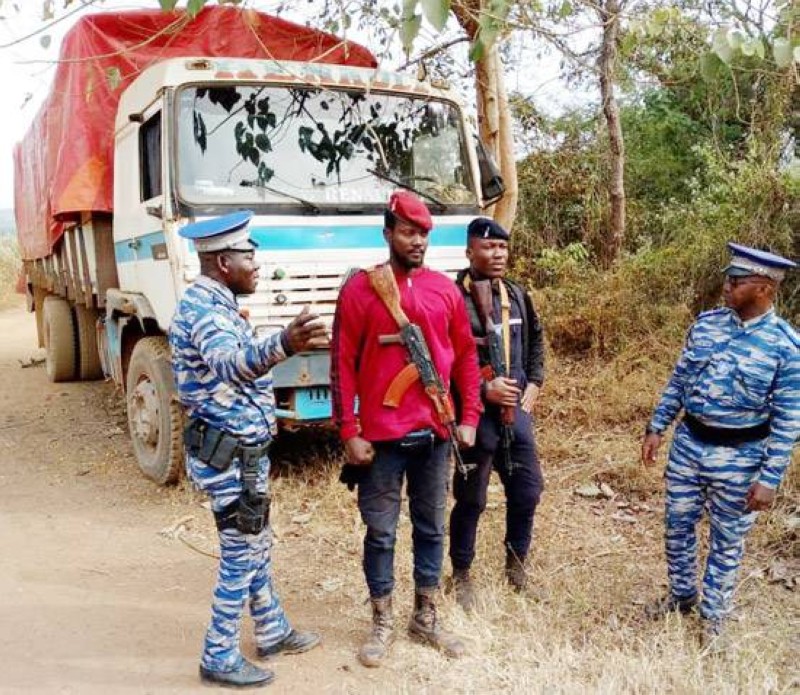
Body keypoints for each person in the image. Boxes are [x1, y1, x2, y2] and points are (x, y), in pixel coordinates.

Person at [169, 210, 327, 688]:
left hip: (243, 452)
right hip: (227, 456)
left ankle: (272, 629)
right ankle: (218, 655)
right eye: (249, 257)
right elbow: (230, 365)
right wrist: (284, 343)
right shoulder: (205, 311)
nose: (257, 265)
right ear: (223, 263)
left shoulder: (218, 304)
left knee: (255, 542)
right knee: (240, 553)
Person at [330, 191, 482, 668]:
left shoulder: (445, 290)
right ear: (388, 233)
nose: (417, 241)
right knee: (380, 532)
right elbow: (342, 364)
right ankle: (381, 620)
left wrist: (470, 417)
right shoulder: (361, 290)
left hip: (434, 431)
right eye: (408, 232)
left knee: (432, 527)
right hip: (380, 436)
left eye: (424, 234)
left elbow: (466, 357)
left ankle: (426, 616)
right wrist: (349, 429)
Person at [641, 242, 800, 650]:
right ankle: (682, 596)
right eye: (727, 279)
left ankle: (713, 616)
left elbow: (788, 421)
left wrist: (769, 479)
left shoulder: (785, 346)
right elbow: (680, 379)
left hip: (741, 458)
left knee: (727, 540)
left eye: (737, 281)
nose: (726, 286)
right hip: (689, 446)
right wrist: (657, 425)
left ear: (764, 288)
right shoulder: (707, 325)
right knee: (677, 526)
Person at [448, 217, 545, 610]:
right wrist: (482, 390)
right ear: (469, 252)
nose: (498, 254)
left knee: (528, 490)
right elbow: (443, 360)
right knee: (471, 498)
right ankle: (460, 573)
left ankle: (516, 567)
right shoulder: (452, 298)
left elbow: (536, 339)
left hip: (515, 413)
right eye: (488, 247)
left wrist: (534, 382)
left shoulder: (516, 295)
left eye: (502, 247)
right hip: (475, 415)